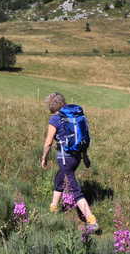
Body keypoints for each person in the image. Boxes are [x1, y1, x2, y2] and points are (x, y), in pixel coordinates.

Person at [41, 92, 98, 231]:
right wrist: (85, 157)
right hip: (76, 156)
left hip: (65, 158)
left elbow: (48, 142)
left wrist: (44, 158)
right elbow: (82, 137)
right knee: (59, 179)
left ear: (51, 105)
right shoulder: (75, 116)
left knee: (75, 190)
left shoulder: (55, 119)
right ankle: (53, 208)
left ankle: (92, 221)